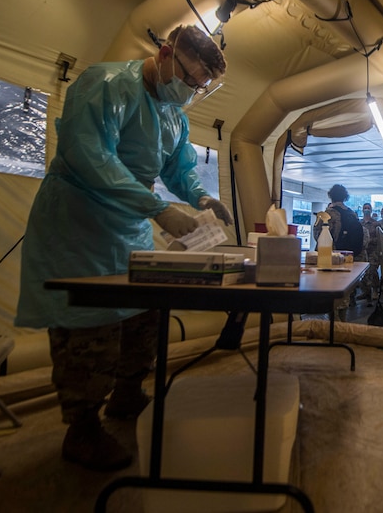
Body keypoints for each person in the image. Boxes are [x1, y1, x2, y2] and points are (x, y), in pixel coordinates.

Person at [15, 24, 232, 471]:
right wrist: (156, 208)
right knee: (88, 324)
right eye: (189, 79)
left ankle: (128, 394)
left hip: (129, 224)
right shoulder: (107, 84)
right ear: (165, 53)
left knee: (143, 310)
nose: (190, 91)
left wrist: (201, 196)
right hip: (80, 221)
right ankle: (82, 430)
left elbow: (178, 167)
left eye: (200, 88)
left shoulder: (174, 113)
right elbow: (92, 156)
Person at [313, 184, 364, 320]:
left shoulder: (327, 214)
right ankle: (342, 323)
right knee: (343, 293)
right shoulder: (352, 213)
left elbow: (318, 236)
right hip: (347, 258)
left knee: (330, 291)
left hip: (330, 258)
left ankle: (333, 325)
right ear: (345, 197)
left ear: (331, 195)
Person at [360, 202, 381, 305]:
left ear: (371, 210)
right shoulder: (359, 223)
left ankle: (375, 290)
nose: (366, 209)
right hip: (363, 252)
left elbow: (380, 238)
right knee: (363, 273)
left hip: (373, 251)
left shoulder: (376, 224)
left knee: (372, 272)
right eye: (365, 208)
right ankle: (366, 292)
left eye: (368, 208)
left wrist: (369, 240)